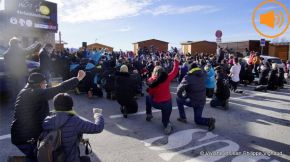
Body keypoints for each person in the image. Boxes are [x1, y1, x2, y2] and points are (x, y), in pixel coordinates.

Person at [10, 70, 86, 161]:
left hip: (23, 134)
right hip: (25, 138)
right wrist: (77, 79)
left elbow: (37, 112)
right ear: (40, 84)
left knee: (43, 154)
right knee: (42, 157)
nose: (46, 85)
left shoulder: (27, 91)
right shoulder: (35, 93)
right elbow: (58, 89)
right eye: (45, 83)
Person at [42, 93, 104, 162]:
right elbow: (98, 127)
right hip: (71, 159)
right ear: (71, 106)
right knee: (86, 159)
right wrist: (98, 115)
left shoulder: (47, 120)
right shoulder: (74, 120)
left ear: (55, 106)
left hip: (51, 158)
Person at [146, 54, 180, 135]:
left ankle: (149, 114)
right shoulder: (167, 78)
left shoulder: (151, 80)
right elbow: (175, 71)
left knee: (148, 97)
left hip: (156, 103)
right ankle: (167, 124)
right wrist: (176, 61)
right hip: (167, 104)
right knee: (165, 120)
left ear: (154, 72)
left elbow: (150, 93)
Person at [176, 63, 215, 131]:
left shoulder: (188, 77)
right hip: (202, 100)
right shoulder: (203, 74)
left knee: (178, 99)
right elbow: (205, 70)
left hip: (193, 100)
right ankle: (209, 121)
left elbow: (179, 89)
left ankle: (183, 117)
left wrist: (181, 96)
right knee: (197, 120)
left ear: (190, 70)